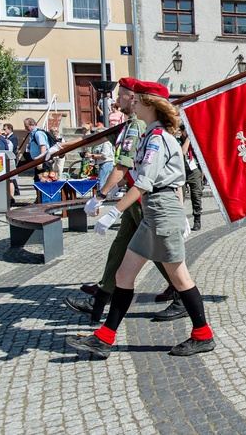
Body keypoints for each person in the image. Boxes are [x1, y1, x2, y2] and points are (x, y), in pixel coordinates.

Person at [66, 80, 215, 358]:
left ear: (150, 104)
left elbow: (145, 182)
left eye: (137, 99)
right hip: (153, 212)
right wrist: (107, 196)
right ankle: (104, 338)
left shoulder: (157, 138)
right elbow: (139, 175)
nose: (132, 102)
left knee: (180, 279)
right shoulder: (148, 135)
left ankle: (203, 335)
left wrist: (114, 211)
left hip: (161, 211)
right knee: (124, 275)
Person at [66, 78, 181, 324]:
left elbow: (127, 167)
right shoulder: (131, 125)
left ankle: (183, 294)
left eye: (122, 96)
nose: (116, 100)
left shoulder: (141, 128)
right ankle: (100, 301)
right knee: (122, 247)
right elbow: (98, 141)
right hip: (136, 195)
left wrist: (104, 200)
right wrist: (62, 146)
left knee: (157, 249)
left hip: (141, 198)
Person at [178, 126, 203, 231]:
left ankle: (197, 219)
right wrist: (188, 139)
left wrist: (202, 175)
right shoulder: (178, 141)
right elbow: (182, 152)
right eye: (186, 131)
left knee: (196, 195)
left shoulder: (195, 142)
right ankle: (180, 221)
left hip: (194, 171)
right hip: (182, 171)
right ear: (181, 131)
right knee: (180, 198)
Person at [23, 118, 60, 183]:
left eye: (27, 126)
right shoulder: (34, 134)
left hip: (43, 161)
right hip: (39, 161)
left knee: (44, 182)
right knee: (38, 181)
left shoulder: (38, 133)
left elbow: (43, 146)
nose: (25, 128)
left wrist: (40, 162)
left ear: (32, 125)